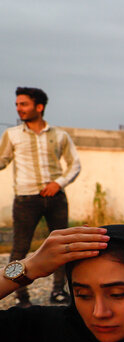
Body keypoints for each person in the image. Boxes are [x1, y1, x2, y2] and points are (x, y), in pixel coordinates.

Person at [0, 87, 81, 307]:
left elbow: (74, 164)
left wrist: (59, 183)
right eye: (17, 104)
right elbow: (2, 160)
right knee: (20, 249)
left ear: (39, 107)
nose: (19, 109)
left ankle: (58, 292)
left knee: (64, 245)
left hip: (56, 197)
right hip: (26, 199)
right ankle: (21, 296)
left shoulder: (60, 135)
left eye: (23, 104)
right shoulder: (12, 135)